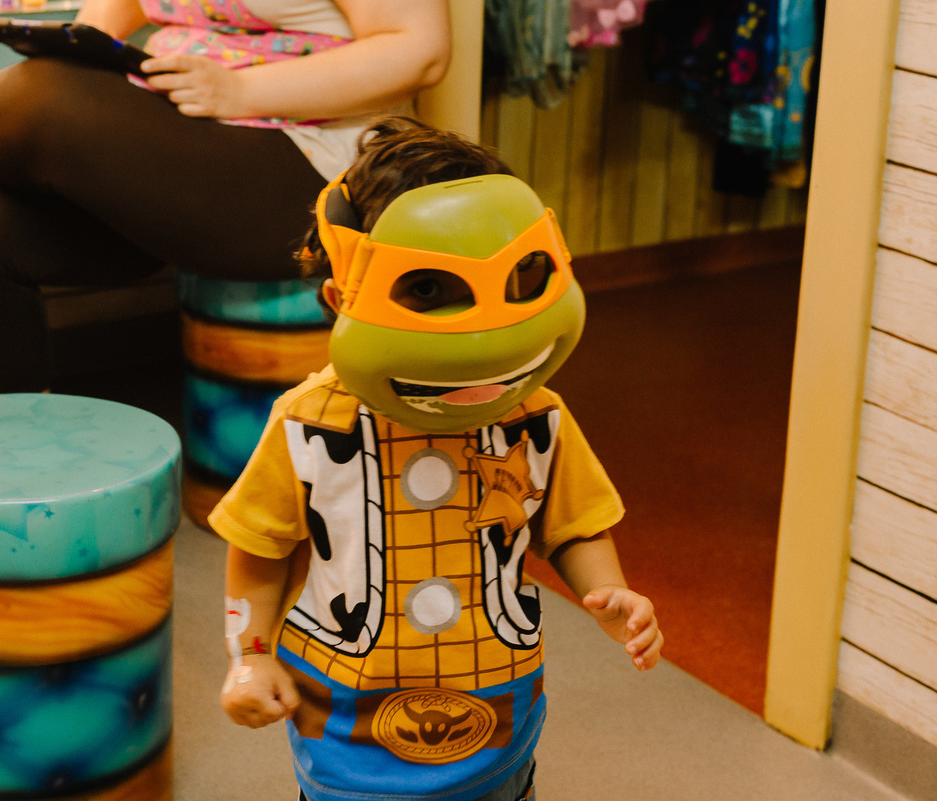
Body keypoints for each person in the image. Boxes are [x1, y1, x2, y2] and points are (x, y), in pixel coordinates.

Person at [208, 117, 664, 801]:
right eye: (426, 290)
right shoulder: (309, 424)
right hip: (343, 719)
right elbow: (259, 548)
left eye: (519, 279)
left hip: (496, 707)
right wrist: (250, 654)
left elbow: (574, 524)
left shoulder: (537, 415)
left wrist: (609, 592)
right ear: (341, 301)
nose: (480, 339)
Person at [0, 0, 450, 392]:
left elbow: (420, 51)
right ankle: (5, 448)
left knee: (30, 101)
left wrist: (239, 91)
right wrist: (83, 52)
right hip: (194, 136)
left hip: (318, 158)